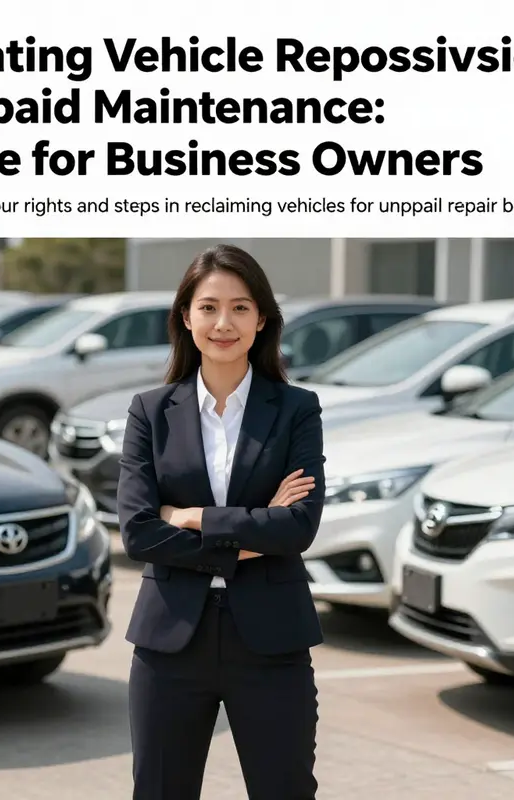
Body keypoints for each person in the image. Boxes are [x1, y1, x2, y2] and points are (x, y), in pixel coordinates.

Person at [117, 244, 326, 800]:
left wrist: (191, 517)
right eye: (208, 307)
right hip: (170, 646)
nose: (223, 322)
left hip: (272, 642)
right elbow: (138, 531)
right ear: (186, 318)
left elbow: (299, 526)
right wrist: (252, 531)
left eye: (240, 307)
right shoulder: (150, 411)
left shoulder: (297, 409)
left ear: (262, 319)